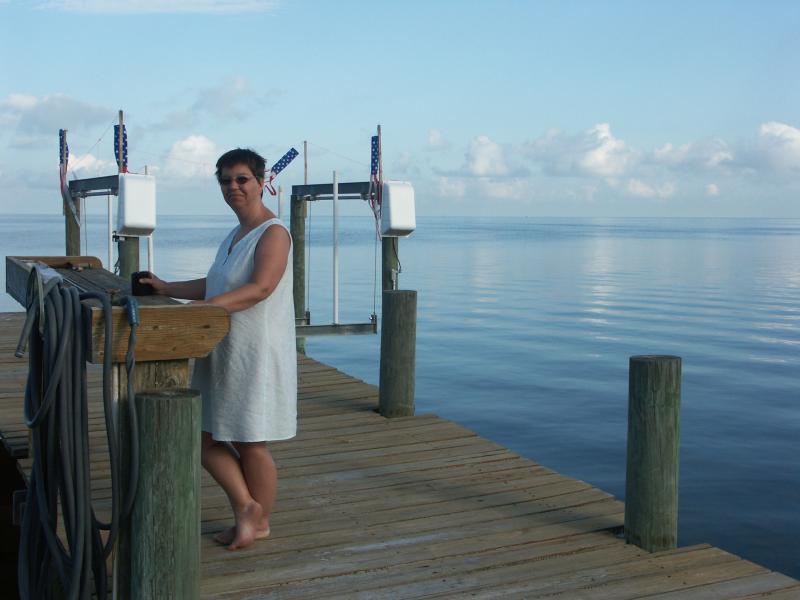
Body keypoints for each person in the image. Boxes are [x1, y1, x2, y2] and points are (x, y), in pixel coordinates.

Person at [140, 148, 297, 550]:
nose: (233, 187)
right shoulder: (236, 234)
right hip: (222, 349)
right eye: (226, 181)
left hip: (255, 352)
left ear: (262, 182)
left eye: (242, 179)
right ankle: (247, 509)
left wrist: (203, 310)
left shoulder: (274, 232)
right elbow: (216, 284)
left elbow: (261, 288)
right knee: (204, 435)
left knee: (251, 441)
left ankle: (258, 522)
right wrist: (167, 288)